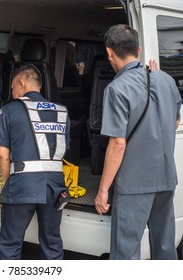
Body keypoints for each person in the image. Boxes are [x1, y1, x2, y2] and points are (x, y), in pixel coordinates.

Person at [94, 24, 182, 260]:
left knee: (126, 251)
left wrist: (103, 190)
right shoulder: (166, 80)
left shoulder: (116, 88)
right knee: (164, 246)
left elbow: (118, 144)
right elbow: (174, 123)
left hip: (134, 184)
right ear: (139, 50)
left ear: (109, 52)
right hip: (165, 179)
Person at [0, 64, 71, 259]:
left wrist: (6, 183)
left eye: (13, 88)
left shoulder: (9, 110)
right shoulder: (62, 112)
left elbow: (2, 155)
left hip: (22, 185)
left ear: (21, 83)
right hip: (55, 187)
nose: (12, 93)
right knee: (52, 242)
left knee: (10, 244)